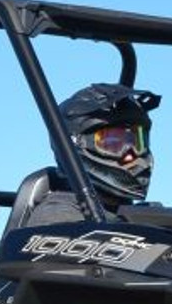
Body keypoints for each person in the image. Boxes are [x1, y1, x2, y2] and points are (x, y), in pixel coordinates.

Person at [24, 83, 161, 226]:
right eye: (114, 143)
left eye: (138, 142)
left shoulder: (132, 213)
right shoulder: (56, 217)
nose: (131, 155)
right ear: (75, 143)